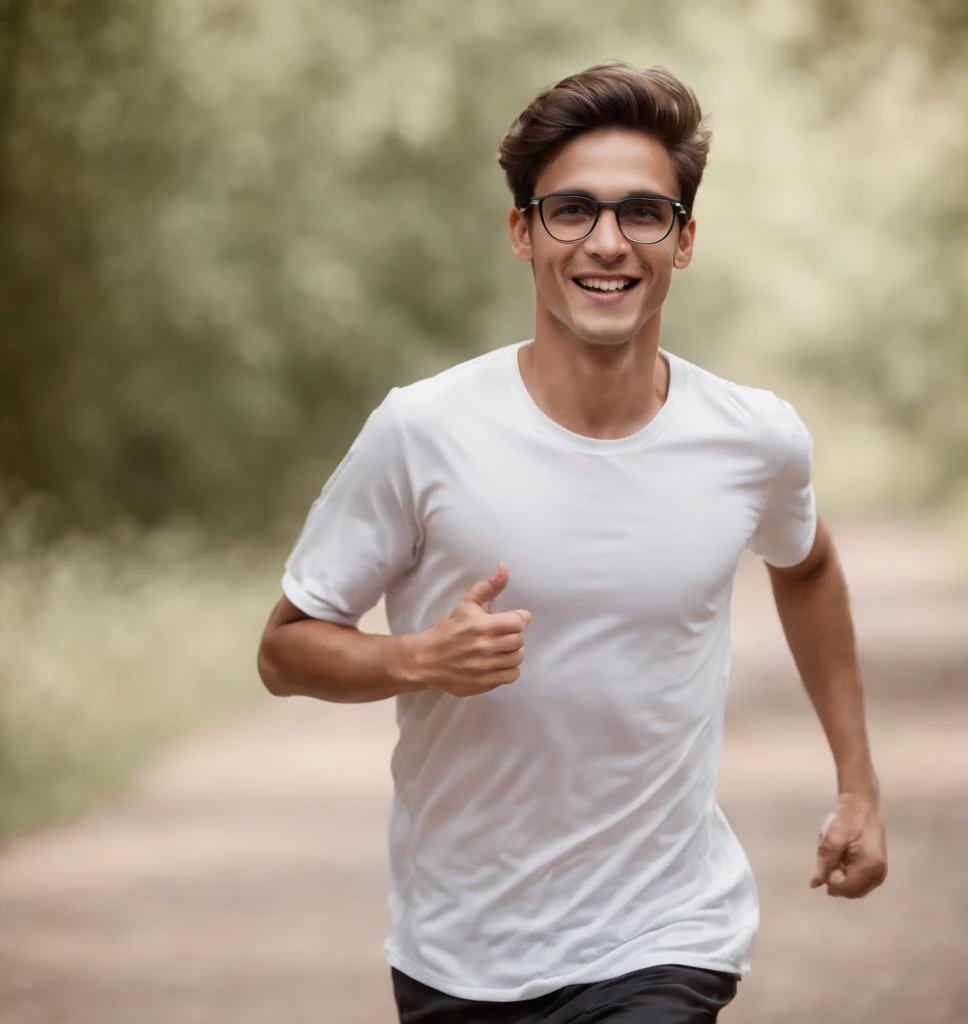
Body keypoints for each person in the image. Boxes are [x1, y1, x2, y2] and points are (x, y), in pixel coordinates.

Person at [256, 61, 888, 1024]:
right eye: (572, 212)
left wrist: (858, 786)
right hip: (461, 948)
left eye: (644, 213)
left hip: (669, 933)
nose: (607, 243)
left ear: (682, 242)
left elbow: (809, 567)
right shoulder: (422, 431)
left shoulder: (752, 439)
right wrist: (418, 657)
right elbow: (284, 649)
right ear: (523, 232)